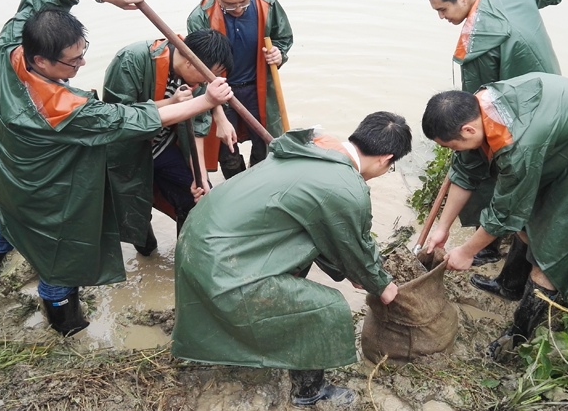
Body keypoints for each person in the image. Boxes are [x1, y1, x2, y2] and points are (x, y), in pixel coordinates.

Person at [0, 0, 232, 337]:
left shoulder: (10, 46)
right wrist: (206, 101)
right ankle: (69, 331)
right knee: (59, 263)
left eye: (81, 53)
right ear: (41, 61)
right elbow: (131, 118)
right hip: (45, 189)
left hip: (10, 174)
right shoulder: (62, 108)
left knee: (6, 225)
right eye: (72, 62)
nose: (81, 66)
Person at [172, 112, 411, 406]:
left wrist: (353, 270)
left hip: (194, 243)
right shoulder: (347, 187)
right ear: (386, 159)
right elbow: (356, 246)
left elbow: (323, 232)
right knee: (325, 307)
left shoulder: (315, 145)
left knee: (301, 267)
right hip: (220, 266)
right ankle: (309, 392)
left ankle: (260, 336)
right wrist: (381, 285)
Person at [421, 73, 568, 359]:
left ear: (468, 130)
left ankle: (518, 336)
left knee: (552, 248)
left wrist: (467, 251)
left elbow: (505, 214)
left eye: (450, 146)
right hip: (554, 131)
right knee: (527, 218)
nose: (451, 151)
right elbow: (466, 172)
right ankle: (510, 285)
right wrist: (442, 229)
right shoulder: (477, 110)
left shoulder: (518, 147)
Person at [422, 0, 566, 277]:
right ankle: (502, 263)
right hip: (557, 93)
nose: (441, 17)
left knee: (494, 171)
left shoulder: (478, 49)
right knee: (517, 189)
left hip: (529, 118)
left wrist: (445, 226)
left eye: (443, 9)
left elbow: (473, 118)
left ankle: (493, 252)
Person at [102, 29, 234, 256]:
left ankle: (186, 257)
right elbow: (116, 118)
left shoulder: (195, 70)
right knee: (135, 215)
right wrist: (170, 102)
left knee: (193, 199)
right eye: (207, 76)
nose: (206, 82)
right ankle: (146, 251)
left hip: (163, 147)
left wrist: (200, 178)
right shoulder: (131, 60)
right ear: (192, 64)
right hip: (129, 151)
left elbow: (198, 129)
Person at [187, 0, 294, 178]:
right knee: (227, 149)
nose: (237, 10)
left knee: (266, 144)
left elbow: (283, 38)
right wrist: (216, 111)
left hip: (259, 88)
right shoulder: (200, 17)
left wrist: (278, 54)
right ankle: (237, 185)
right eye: (229, 5)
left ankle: (260, 182)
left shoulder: (267, 3)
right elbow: (199, 68)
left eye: (243, 3)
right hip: (222, 91)